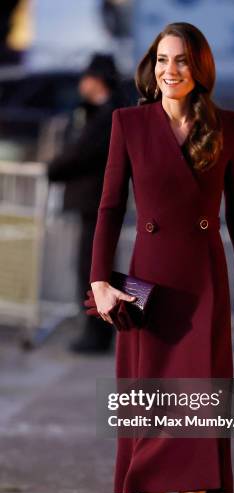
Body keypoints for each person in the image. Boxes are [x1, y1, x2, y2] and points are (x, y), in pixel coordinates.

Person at [89, 22, 234, 493]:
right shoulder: (128, 123)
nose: (171, 70)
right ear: (150, 66)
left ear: (201, 68)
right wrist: (98, 282)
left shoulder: (228, 126)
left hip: (205, 282)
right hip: (149, 286)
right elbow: (109, 208)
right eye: (163, 59)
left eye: (183, 61)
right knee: (150, 411)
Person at [48, 53, 125, 353]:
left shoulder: (108, 115)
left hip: (98, 203)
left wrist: (53, 169)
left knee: (95, 272)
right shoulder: (93, 112)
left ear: (97, 80)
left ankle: (98, 332)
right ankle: (97, 329)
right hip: (92, 203)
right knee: (93, 270)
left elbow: (81, 152)